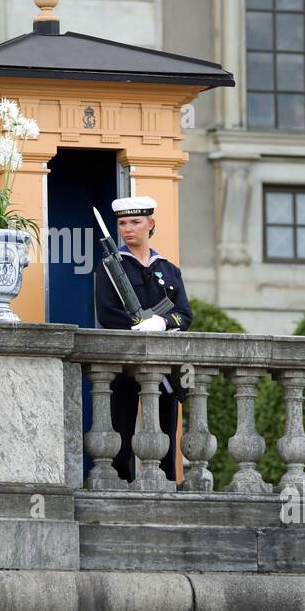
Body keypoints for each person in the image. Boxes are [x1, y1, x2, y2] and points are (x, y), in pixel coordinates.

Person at [94, 196, 193, 484]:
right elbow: (107, 312)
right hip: (125, 357)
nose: (128, 229)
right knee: (121, 428)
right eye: (122, 223)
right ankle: (121, 483)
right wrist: (138, 325)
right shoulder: (111, 267)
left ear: (151, 224)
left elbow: (184, 314)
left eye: (135, 222)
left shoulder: (169, 269)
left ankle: (165, 483)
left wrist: (161, 322)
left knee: (164, 428)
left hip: (163, 361)